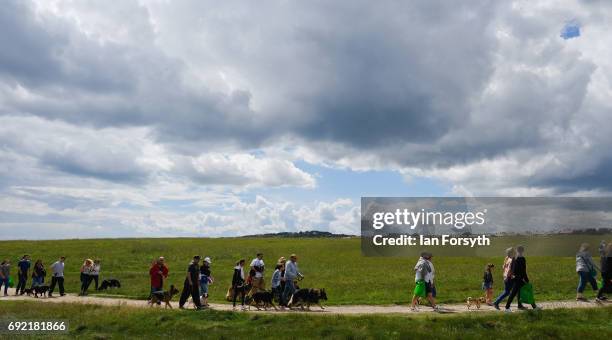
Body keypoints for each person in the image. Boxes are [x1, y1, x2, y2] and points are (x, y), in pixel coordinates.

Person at [504, 245, 539, 312]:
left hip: (515, 278)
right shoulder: (521, 259)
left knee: (515, 293)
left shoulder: (515, 258)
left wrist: (514, 276)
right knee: (526, 292)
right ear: (522, 251)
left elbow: (514, 269)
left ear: (517, 251)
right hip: (518, 279)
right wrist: (526, 280)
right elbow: (523, 271)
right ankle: (534, 307)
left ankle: (515, 306)